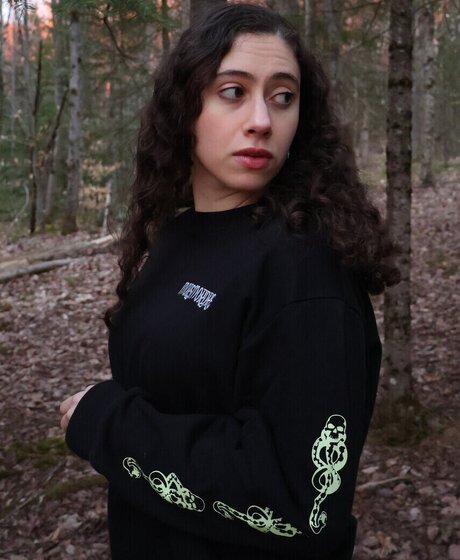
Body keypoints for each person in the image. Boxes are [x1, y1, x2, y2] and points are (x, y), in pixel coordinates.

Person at [59, 3, 400, 559]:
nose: (262, 120)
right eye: (233, 91)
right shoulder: (180, 236)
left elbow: (300, 504)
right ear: (185, 106)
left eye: (283, 97)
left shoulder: (303, 269)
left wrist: (108, 424)